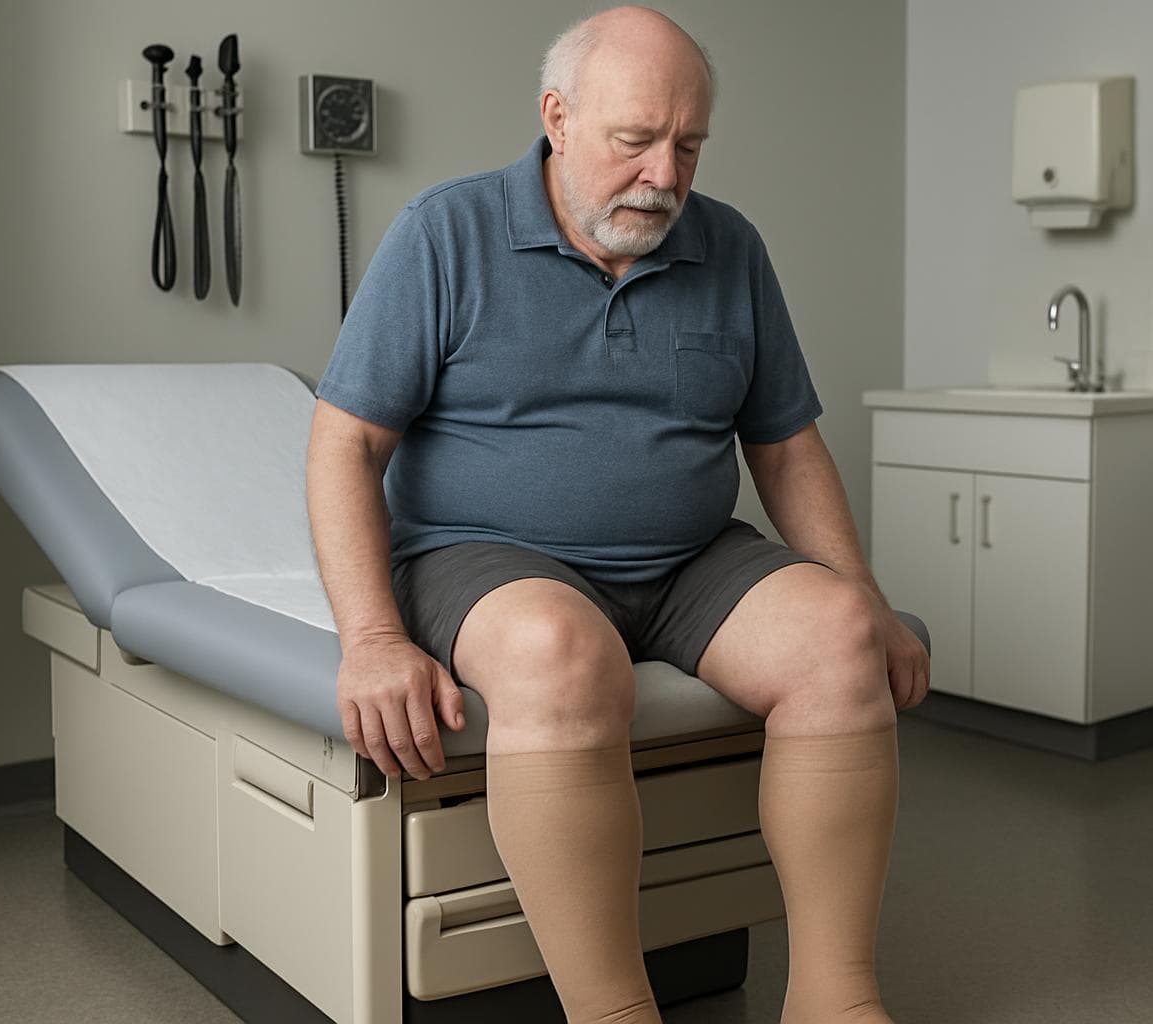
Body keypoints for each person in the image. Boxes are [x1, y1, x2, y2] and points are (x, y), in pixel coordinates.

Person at [306, 6, 929, 1022]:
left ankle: (835, 997)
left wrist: (862, 590)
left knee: (840, 635)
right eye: (636, 140)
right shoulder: (445, 232)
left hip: (689, 563)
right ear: (558, 116)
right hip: (484, 556)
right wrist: (371, 637)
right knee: (561, 650)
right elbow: (345, 442)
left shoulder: (730, 248)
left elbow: (784, 444)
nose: (666, 175)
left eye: (688, 145)